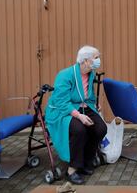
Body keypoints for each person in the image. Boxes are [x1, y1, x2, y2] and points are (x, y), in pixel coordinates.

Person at [45, 45, 107, 184]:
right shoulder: (65, 75)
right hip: (62, 110)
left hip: (83, 106)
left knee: (100, 128)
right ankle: (72, 170)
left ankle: (85, 161)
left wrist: (94, 105)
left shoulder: (91, 73)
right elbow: (60, 102)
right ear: (85, 61)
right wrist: (78, 116)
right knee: (79, 129)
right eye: (96, 58)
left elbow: (88, 94)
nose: (98, 60)